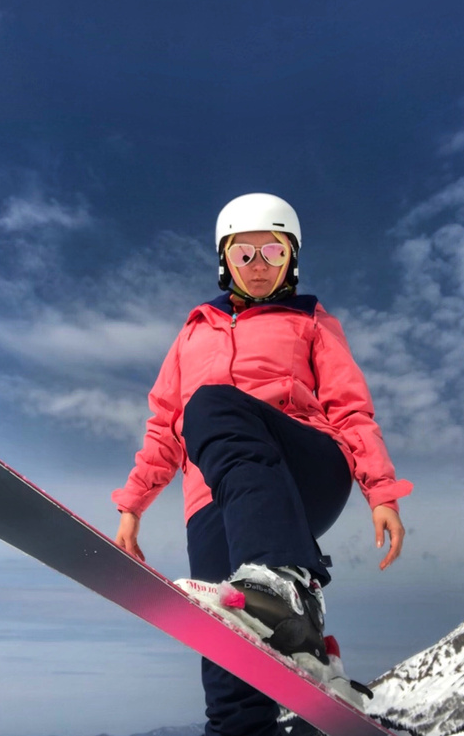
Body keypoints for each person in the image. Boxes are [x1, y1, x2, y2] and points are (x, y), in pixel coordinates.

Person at [112, 193, 413, 736]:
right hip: (216, 501)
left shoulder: (310, 321)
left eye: (272, 252)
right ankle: (291, 644)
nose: (257, 266)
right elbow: (162, 428)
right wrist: (133, 506)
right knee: (229, 666)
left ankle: (286, 586)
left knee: (211, 403)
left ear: (290, 260)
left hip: (302, 469)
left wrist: (381, 491)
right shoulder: (192, 333)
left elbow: (351, 409)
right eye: (243, 254)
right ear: (224, 260)